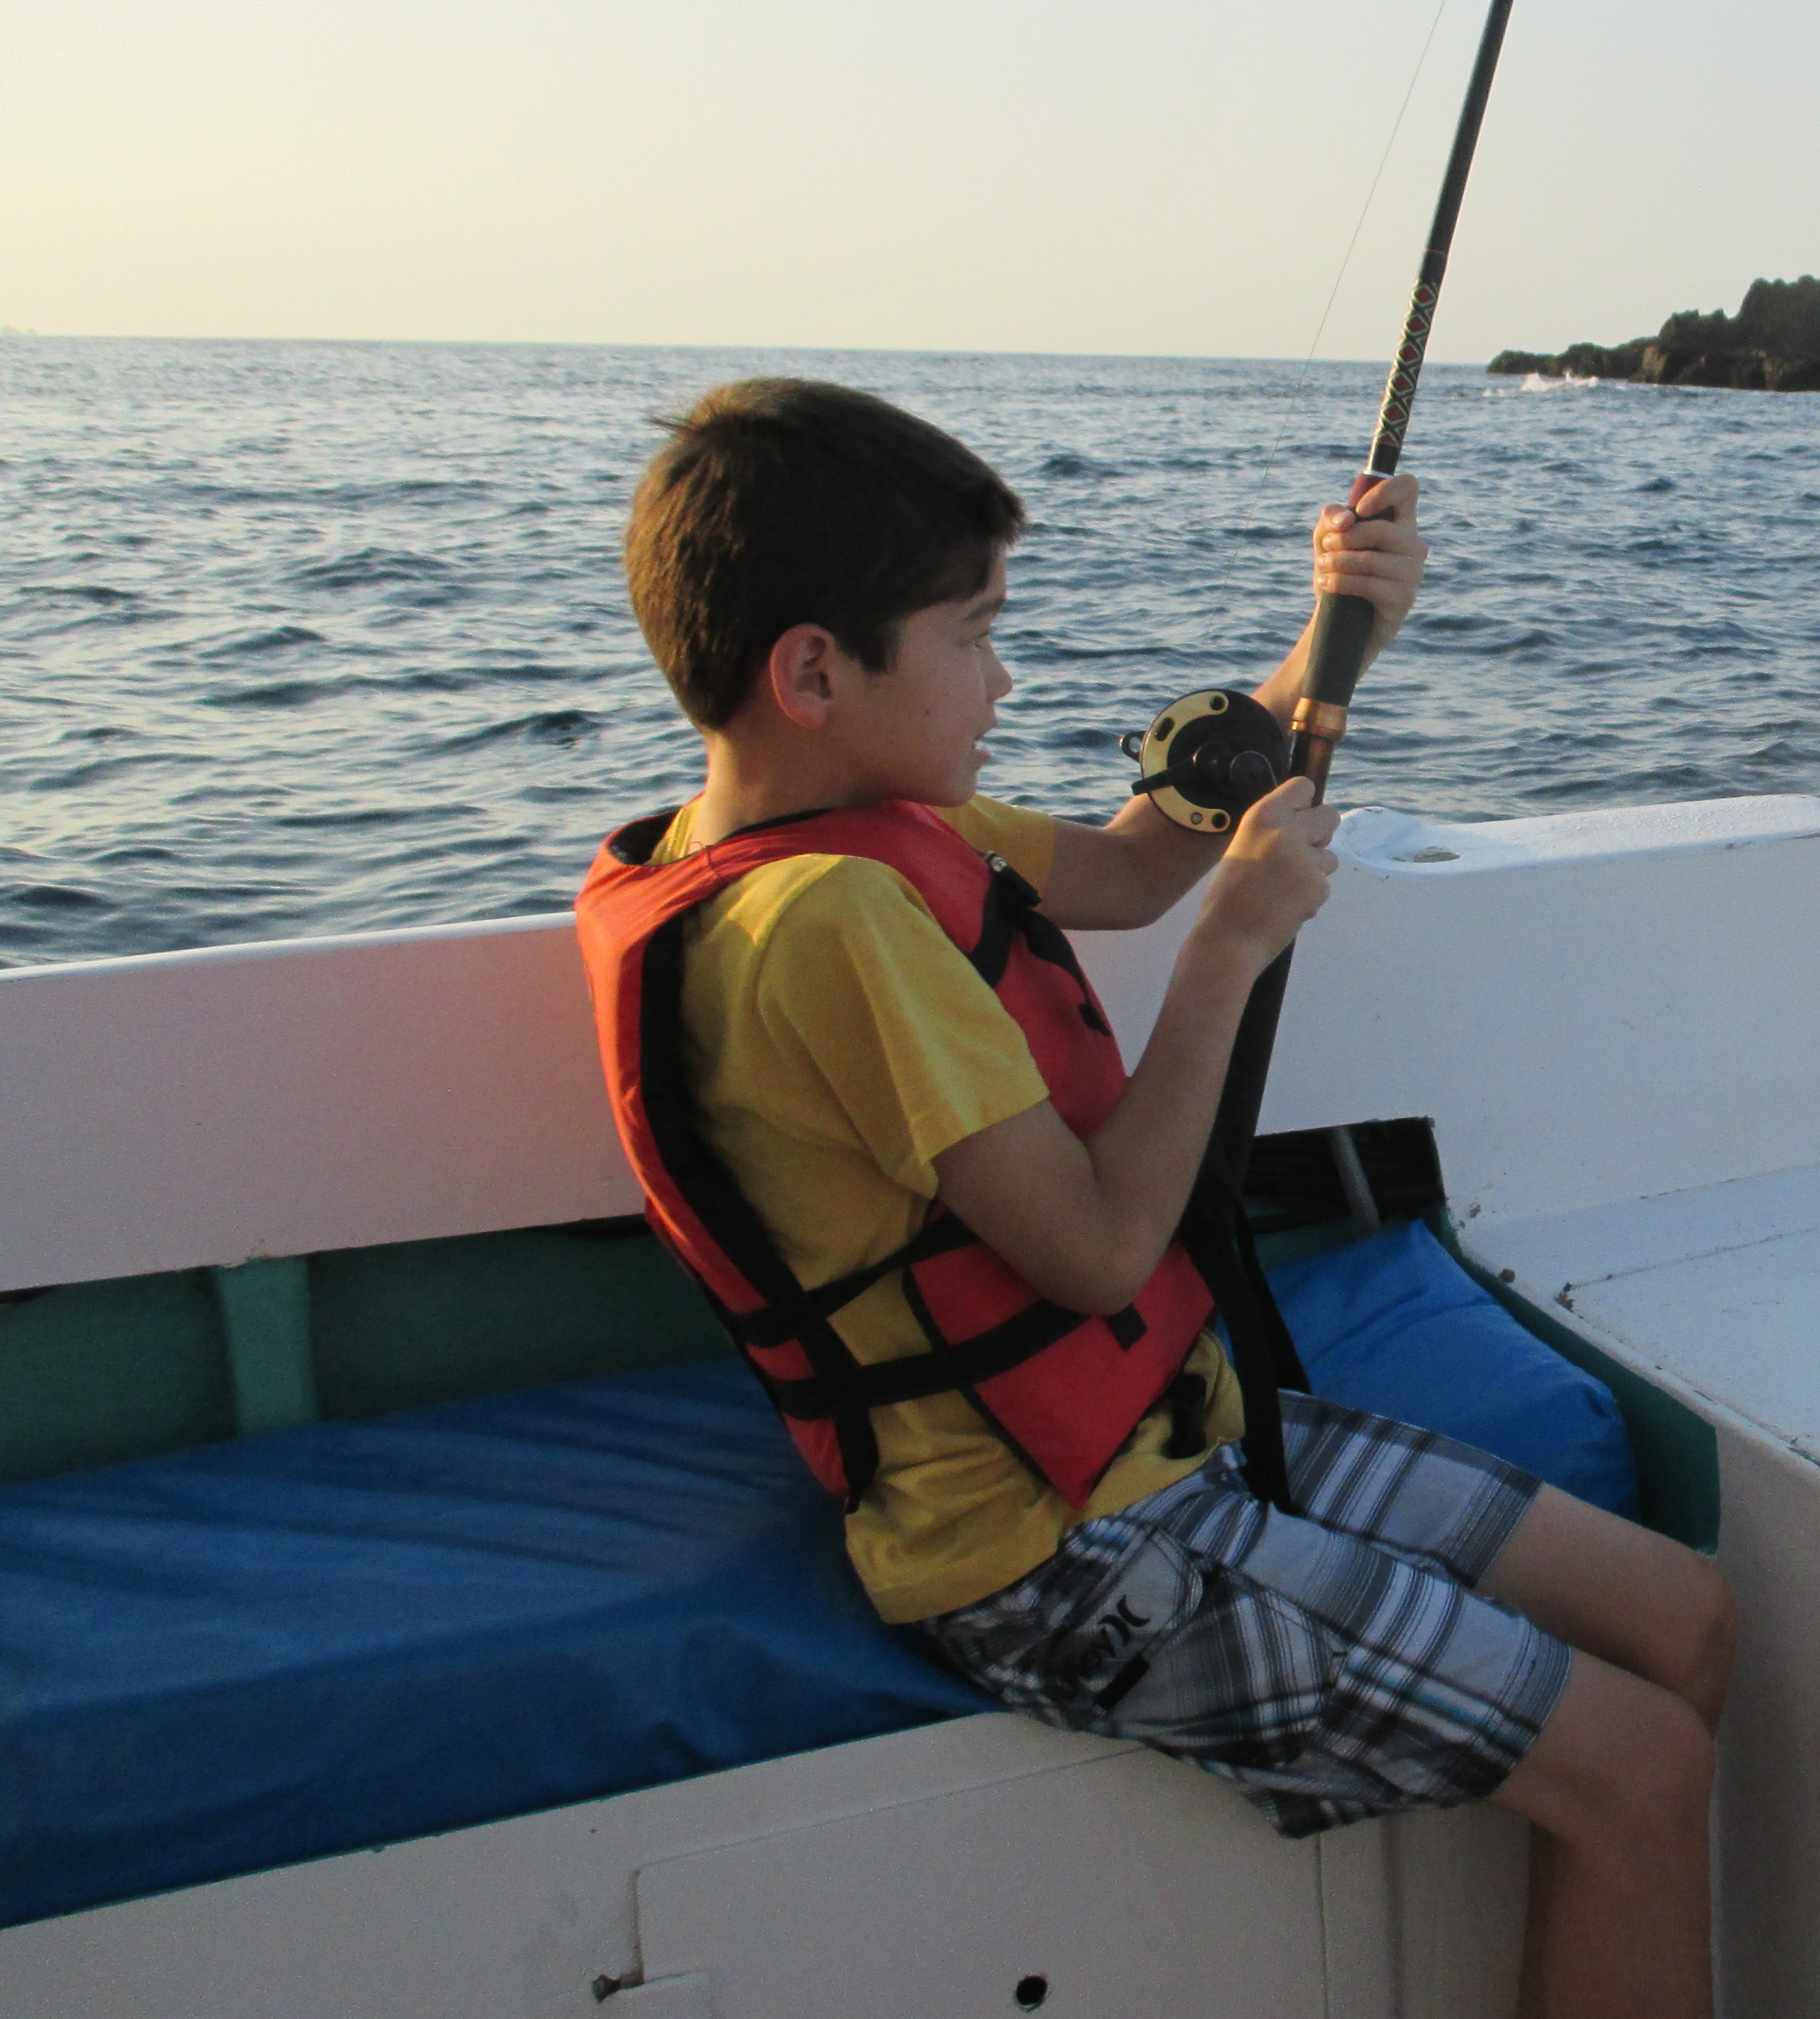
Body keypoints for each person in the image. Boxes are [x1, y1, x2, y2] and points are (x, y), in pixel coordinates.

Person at [575, 378, 1728, 2019]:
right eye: (973, 633)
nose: (1004, 676)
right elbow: (1107, 1247)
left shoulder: (836, 829)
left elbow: (1124, 869)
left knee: (1684, 1620)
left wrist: (1330, 638)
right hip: (1062, 1554)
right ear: (815, 674)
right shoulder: (826, 927)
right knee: (1646, 1763)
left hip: (1171, 1433)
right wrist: (1232, 950)